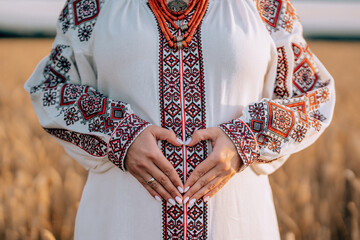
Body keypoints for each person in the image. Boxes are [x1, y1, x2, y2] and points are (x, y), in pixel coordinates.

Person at [25, 0, 335, 239]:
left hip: (235, 223)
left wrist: (246, 137)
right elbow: (50, 85)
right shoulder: (93, 5)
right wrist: (120, 132)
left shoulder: (265, 6)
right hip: (122, 220)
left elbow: (314, 94)